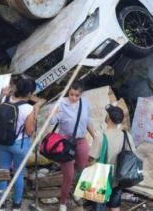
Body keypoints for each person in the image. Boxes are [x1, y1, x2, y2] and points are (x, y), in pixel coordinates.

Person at [0, 77, 43, 211]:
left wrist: (3, 94)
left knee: (3, 172)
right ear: (29, 93)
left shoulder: (5, 100)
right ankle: (16, 205)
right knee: (18, 174)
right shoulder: (28, 108)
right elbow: (29, 132)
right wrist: (36, 110)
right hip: (19, 145)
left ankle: (1, 204)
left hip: (2, 142)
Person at [51, 81, 96, 211]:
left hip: (81, 141)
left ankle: (77, 193)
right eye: (71, 94)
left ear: (81, 94)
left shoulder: (85, 103)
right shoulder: (61, 103)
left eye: (77, 95)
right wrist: (53, 112)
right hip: (65, 143)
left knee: (83, 170)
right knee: (68, 175)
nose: (74, 98)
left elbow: (87, 121)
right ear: (68, 92)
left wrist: (95, 136)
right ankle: (63, 203)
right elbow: (53, 120)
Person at [88, 104, 135, 211]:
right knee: (114, 206)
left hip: (101, 180)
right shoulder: (126, 136)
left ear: (108, 117)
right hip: (118, 178)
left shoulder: (101, 137)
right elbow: (132, 153)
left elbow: (92, 158)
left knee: (99, 207)